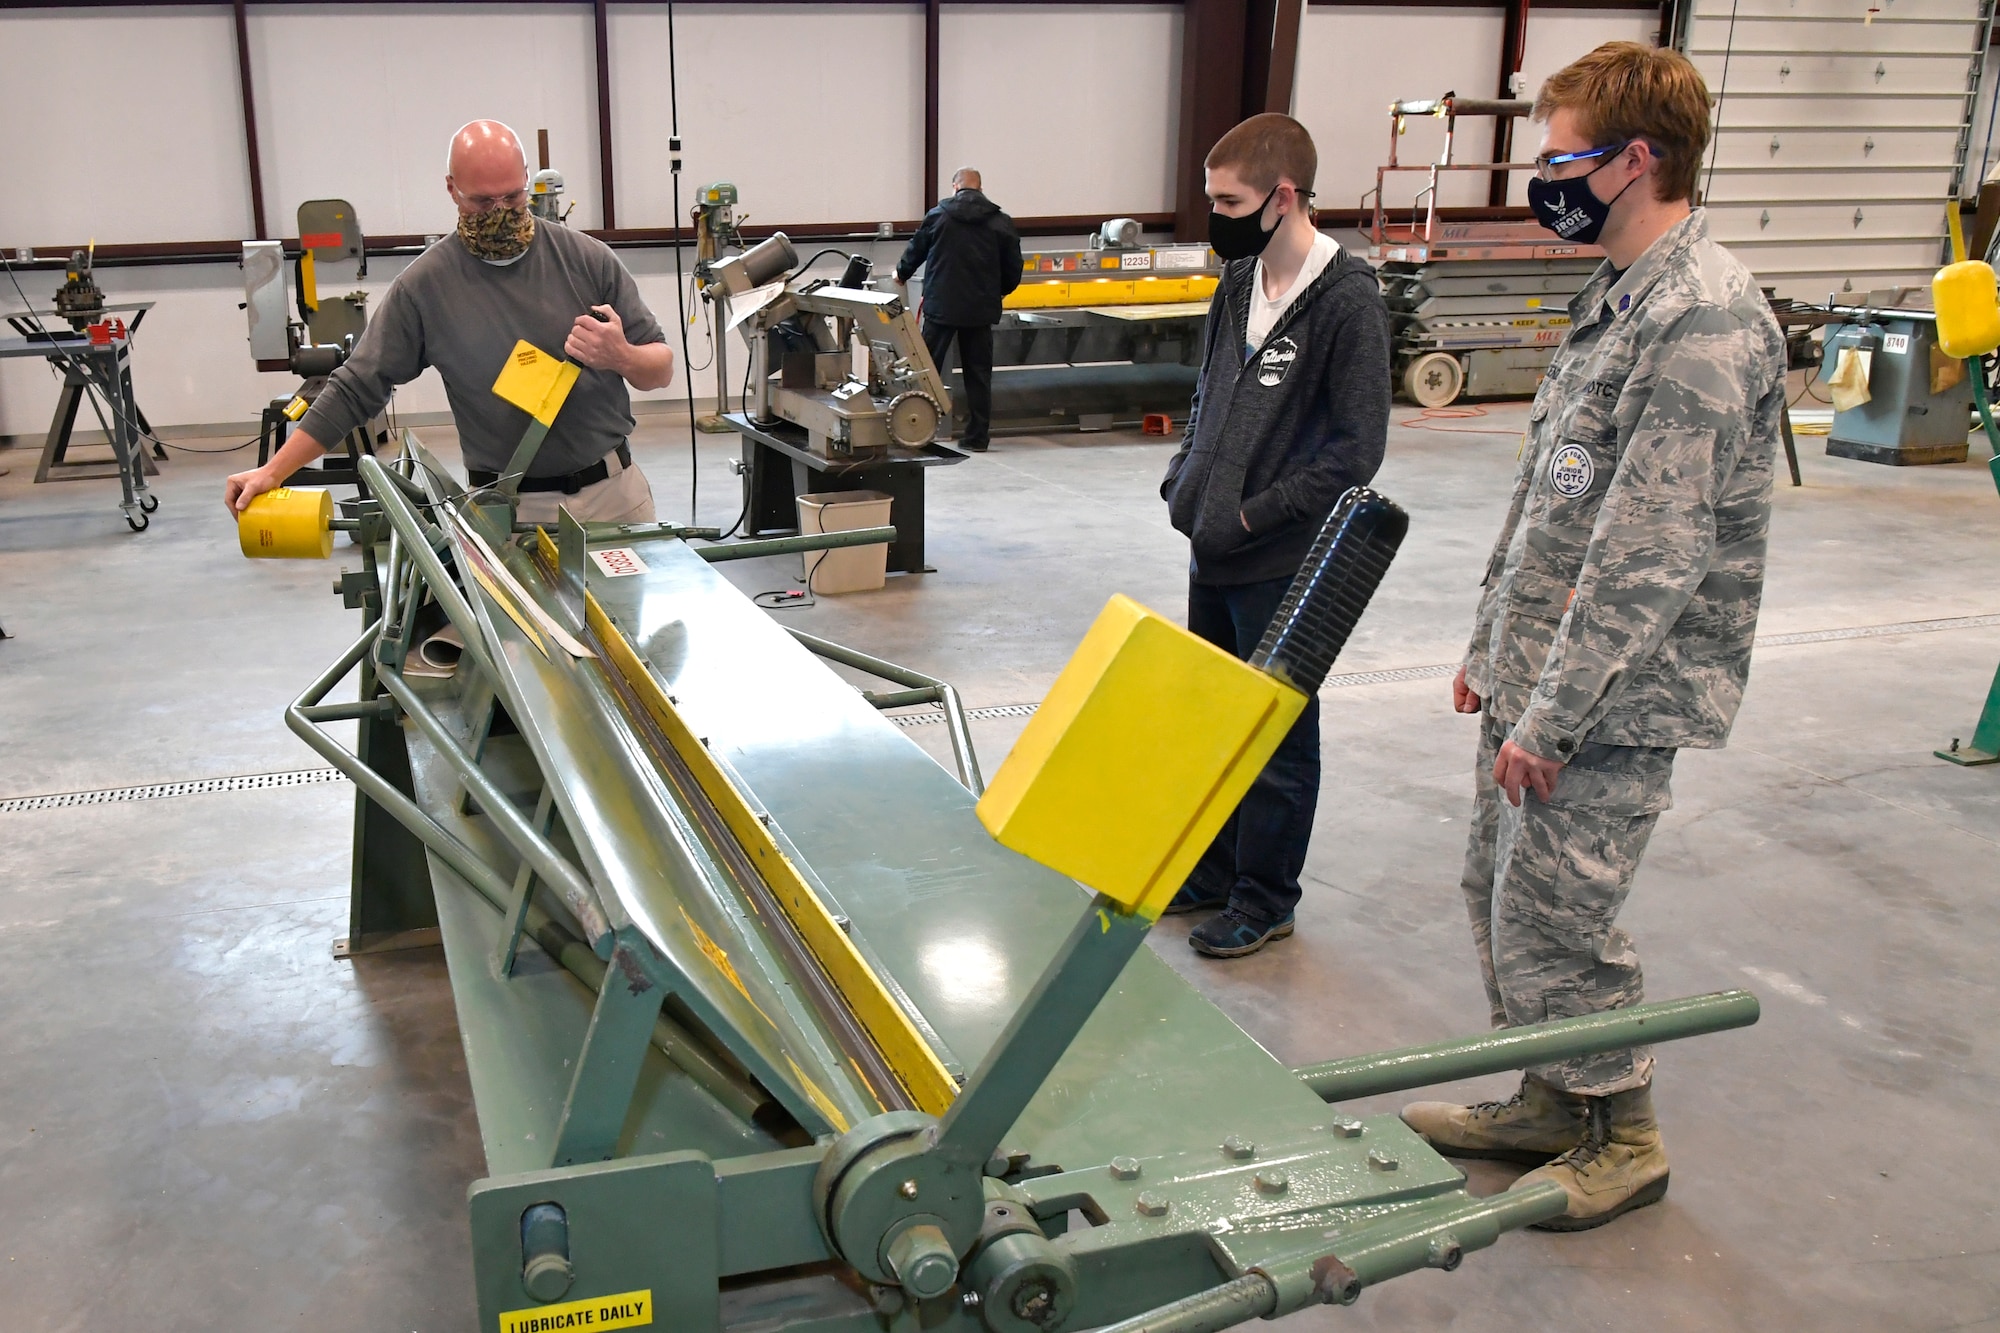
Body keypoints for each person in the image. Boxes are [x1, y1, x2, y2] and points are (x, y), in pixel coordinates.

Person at [1399, 42, 1786, 1231]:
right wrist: (1490, 648)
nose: (1543, 178)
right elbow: (1558, 501)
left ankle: (1622, 1134)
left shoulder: (1701, 316)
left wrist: (1555, 712)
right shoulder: (1617, 299)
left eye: (1561, 157)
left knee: (1560, 916)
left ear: (1633, 160)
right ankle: (1548, 1098)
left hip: (1613, 697)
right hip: (1541, 673)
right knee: (1498, 893)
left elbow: (1649, 551)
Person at [1158, 113, 1390, 958]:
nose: (1215, 216)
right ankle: (1214, 871)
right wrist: (1186, 479)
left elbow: (1357, 451)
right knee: (1215, 721)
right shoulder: (1237, 283)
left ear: (1284, 197)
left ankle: (1266, 897)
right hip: (1211, 548)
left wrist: (1257, 513)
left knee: (1279, 737)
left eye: (1229, 200)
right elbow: (1208, 392)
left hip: (1280, 559)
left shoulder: (1346, 303)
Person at [225, 120, 674, 524]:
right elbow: (355, 388)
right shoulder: (425, 288)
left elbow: (661, 368)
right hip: (509, 514)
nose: (500, 211)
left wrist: (622, 356)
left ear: (527, 182)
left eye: (513, 196)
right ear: (451, 189)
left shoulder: (588, 261)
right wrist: (272, 471)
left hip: (614, 498)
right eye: (482, 201)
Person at [894, 168, 1022, 452]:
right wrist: (997, 291)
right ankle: (977, 437)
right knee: (978, 374)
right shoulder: (1000, 222)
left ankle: (917, 431)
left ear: (955, 187)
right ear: (980, 188)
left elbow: (916, 249)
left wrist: (901, 273)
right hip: (980, 310)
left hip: (941, 306)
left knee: (926, 371)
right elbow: (1014, 269)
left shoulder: (938, 216)